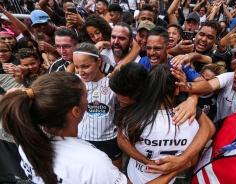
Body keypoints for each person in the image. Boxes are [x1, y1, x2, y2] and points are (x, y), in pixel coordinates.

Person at [0, 72, 129, 184]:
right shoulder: (93, 162)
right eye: (85, 95)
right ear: (76, 111)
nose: (88, 101)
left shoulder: (28, 141)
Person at [114, 64, 215, 183]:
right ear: (177, 89)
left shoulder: (132, 117)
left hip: (135, 175)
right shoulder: (191, 121)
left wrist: (149, 163)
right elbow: (193, 160)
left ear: (148, 89)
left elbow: (122, 141)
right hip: (169, 178)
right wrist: (182, 160)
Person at [73, 42, 123, 170]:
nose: (80, 71)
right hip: (82, 140)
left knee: (114, 175)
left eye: (85, 66)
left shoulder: (112, 83)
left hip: (108, 140)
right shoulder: (73, 83)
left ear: (98, 62)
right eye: (77, 67)